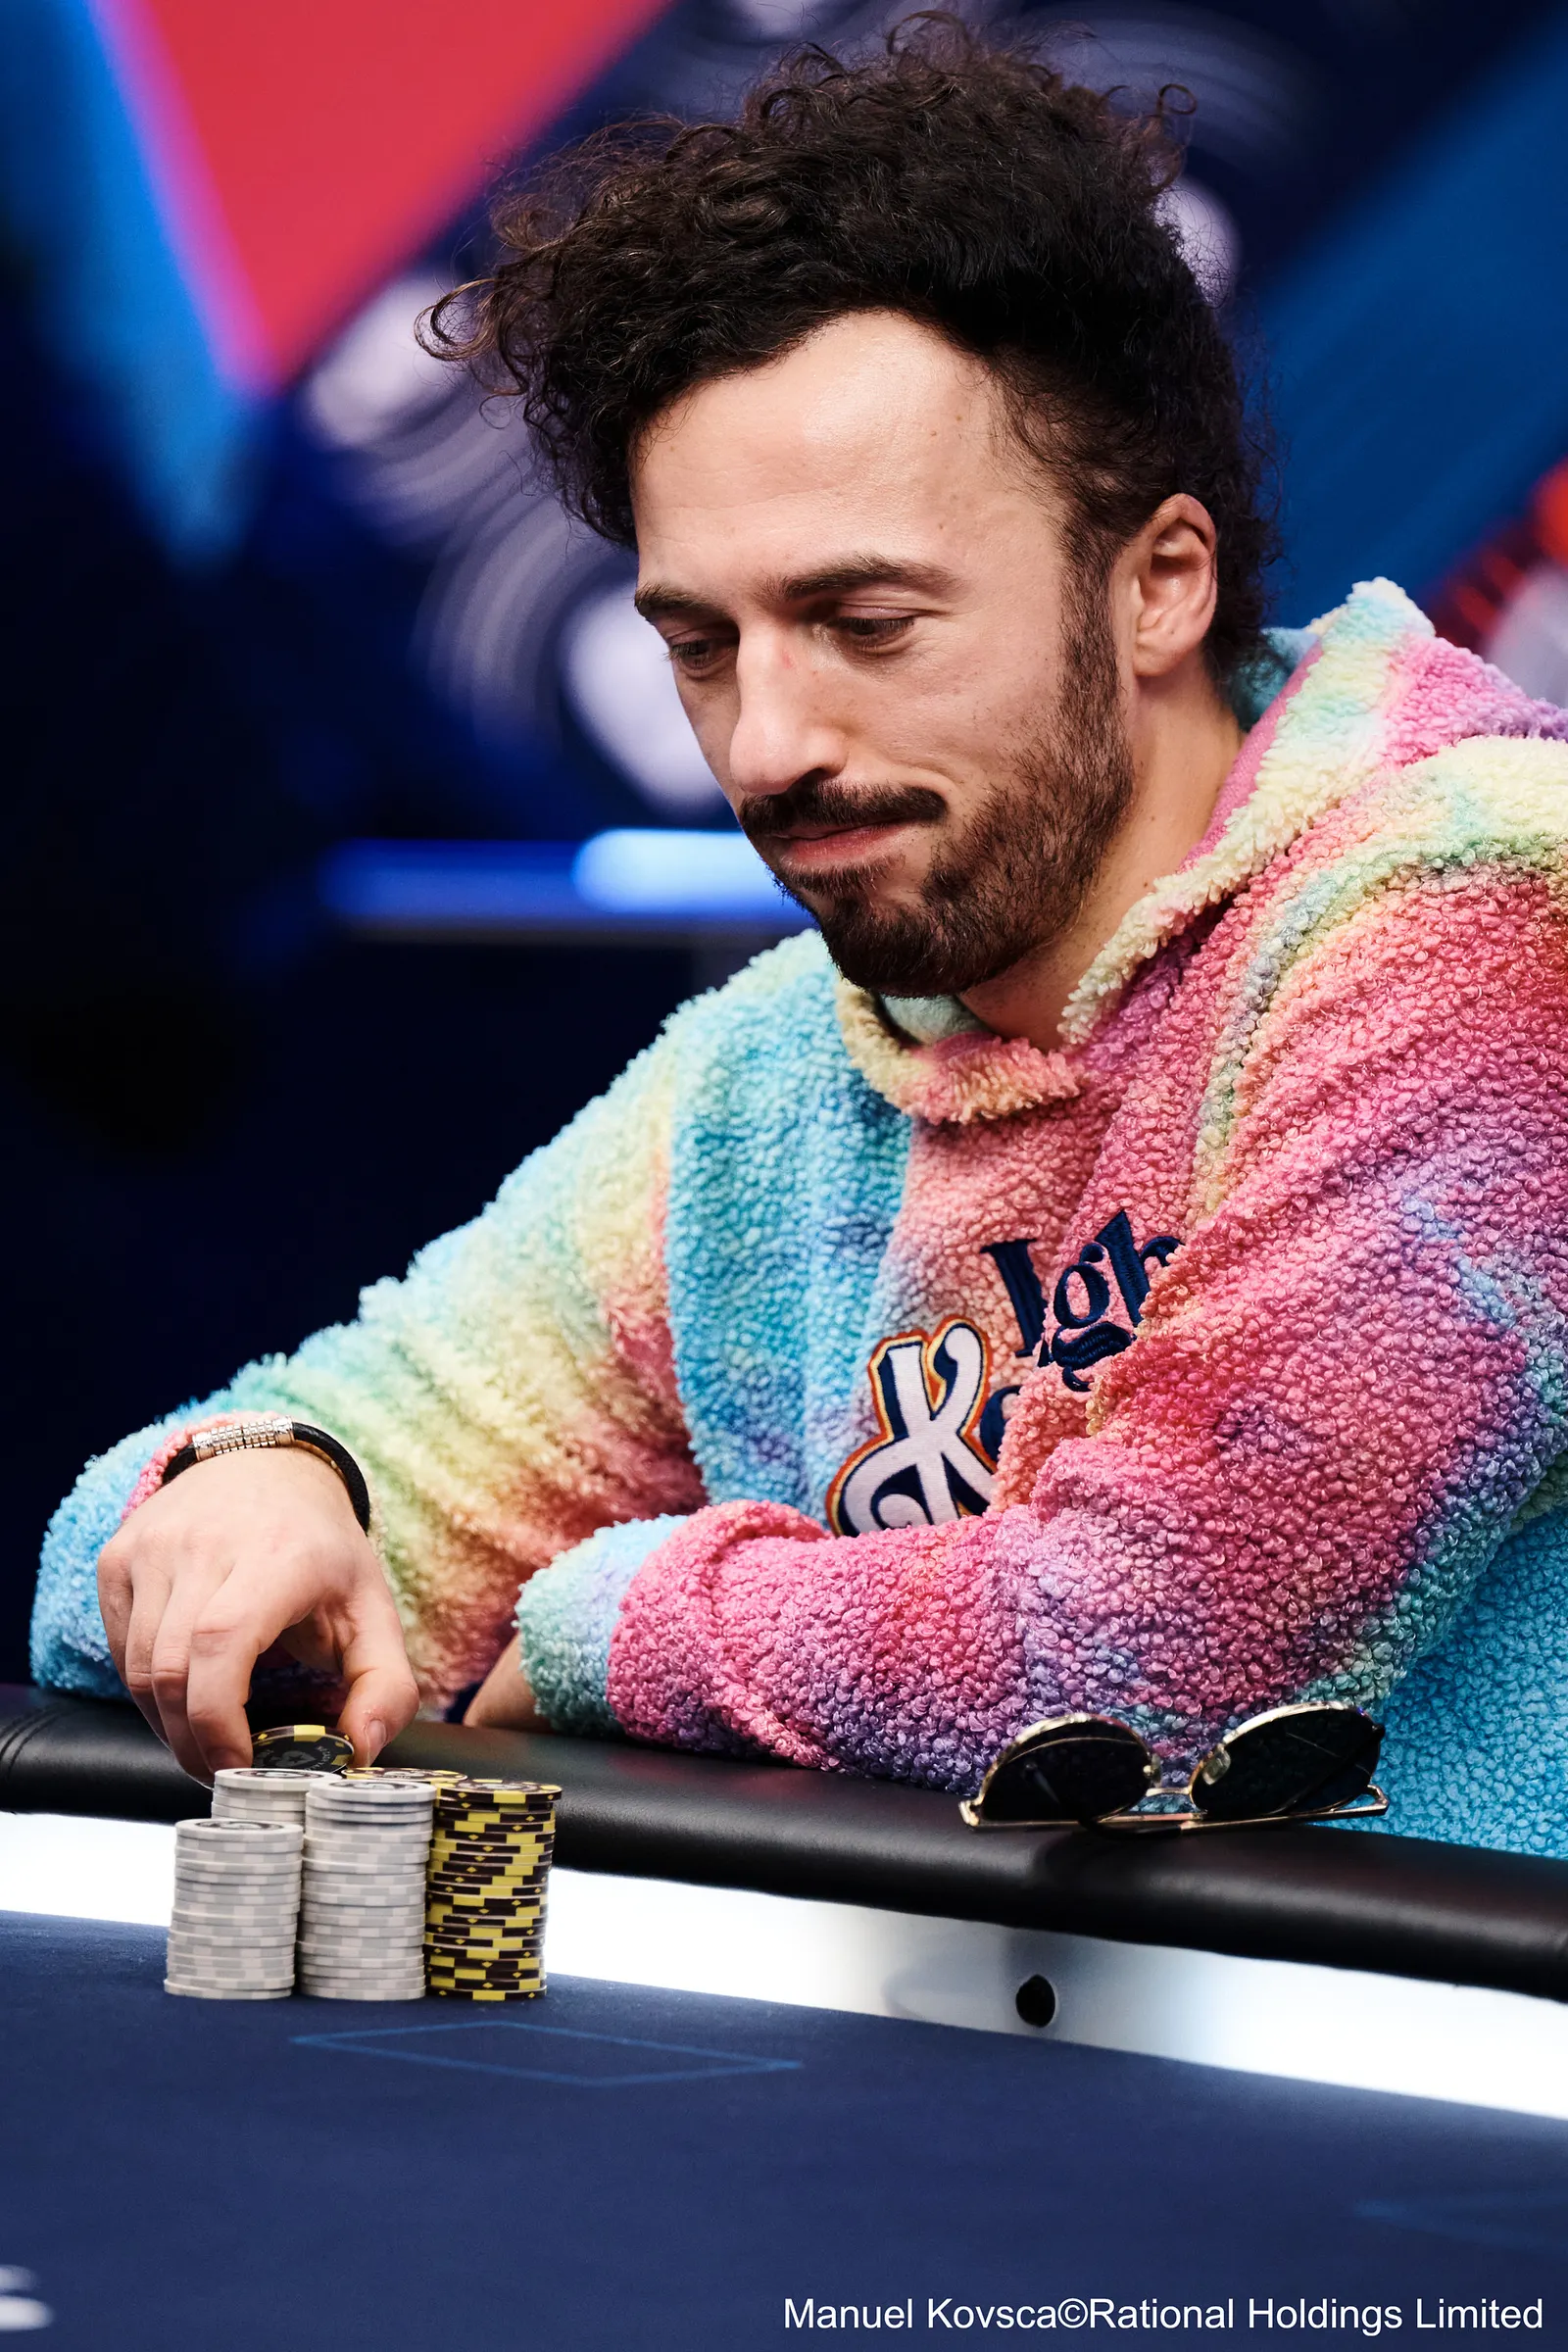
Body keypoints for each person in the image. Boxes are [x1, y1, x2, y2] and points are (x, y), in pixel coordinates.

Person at [31, 24, 1568, 1856]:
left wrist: (607, 1631)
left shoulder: (1485, 903)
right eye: (700, 646)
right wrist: (251, 1490)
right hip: (941, 2036)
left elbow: (1157, 1653)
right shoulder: (786, 1060)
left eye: (866, 622)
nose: (765, 747)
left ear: (1161, 583)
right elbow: (215, 1522)